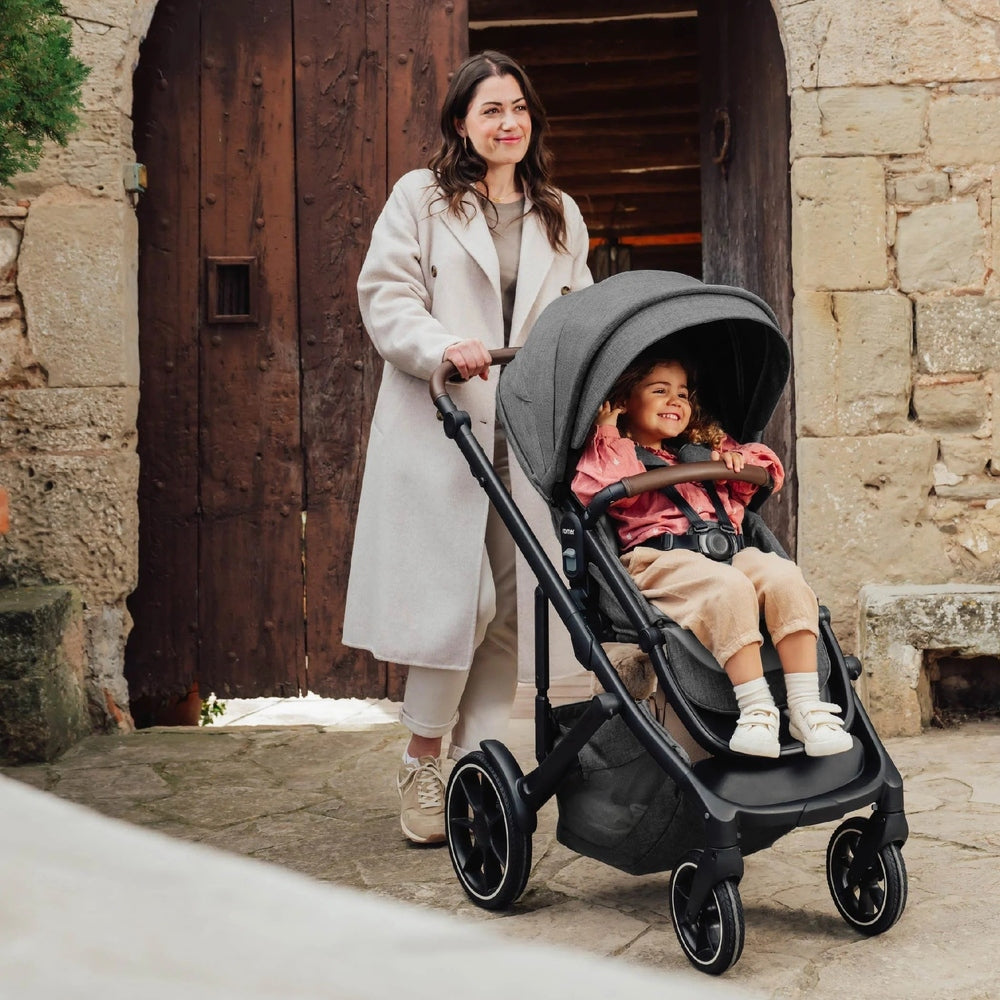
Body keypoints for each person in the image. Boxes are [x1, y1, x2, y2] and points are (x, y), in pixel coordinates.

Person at [343, 51, 593, 844]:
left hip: (526, 435)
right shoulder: (421, 199)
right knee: (463, 602)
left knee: (517, 607)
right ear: (461, 122)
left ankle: (482, 769)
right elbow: (385, 296)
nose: (508, 122)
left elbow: (578, 316)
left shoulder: (559, 211)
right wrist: (443, 346)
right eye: (491, 110)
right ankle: (424, 761)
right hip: (443, 428)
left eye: (518, 108)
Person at [571, 352, 853, 759]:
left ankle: (806, 706)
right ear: (625, 400)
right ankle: (757, 710)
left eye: (682, 393)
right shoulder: (618, 453)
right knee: (728, 586)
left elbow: (767, 474)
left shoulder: (702, 451)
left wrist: (734, 463)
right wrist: (608, 428)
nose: (675, 401)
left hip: (729, 551)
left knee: (783, 575)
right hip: (661, 560)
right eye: (659, 390)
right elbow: (594, 488)